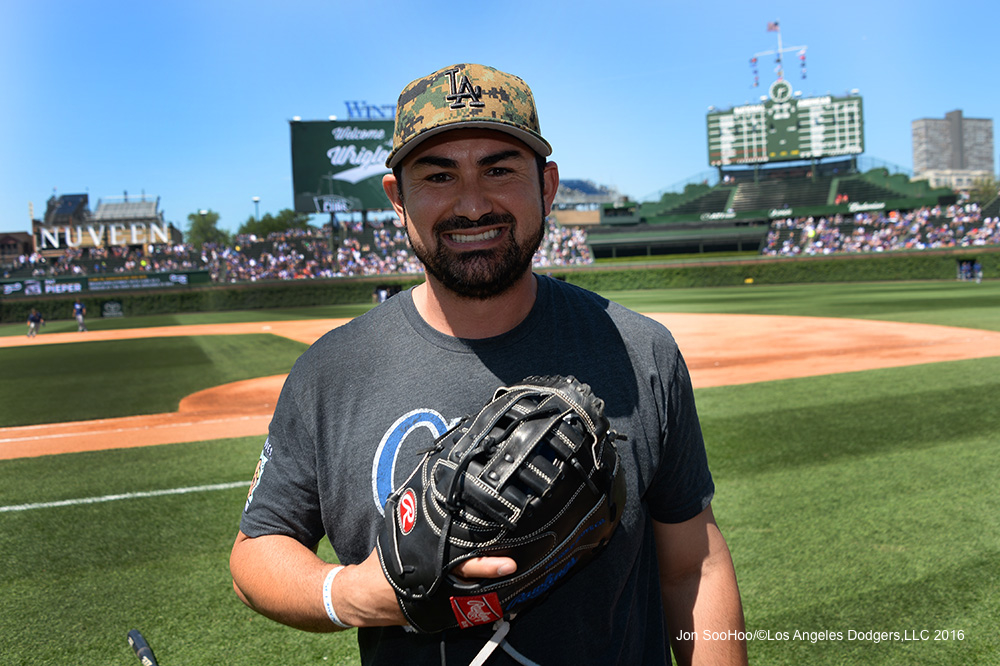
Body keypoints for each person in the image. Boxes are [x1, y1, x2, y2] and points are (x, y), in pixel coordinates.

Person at [230, 63, 747, 665]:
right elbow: (256, 552)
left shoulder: (642, 354)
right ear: (397, 198)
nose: (472, 205)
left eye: (499, 169)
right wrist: (354, 595)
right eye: (438, 175)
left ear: (547, 186)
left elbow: (694, 568)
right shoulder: (330, 372)